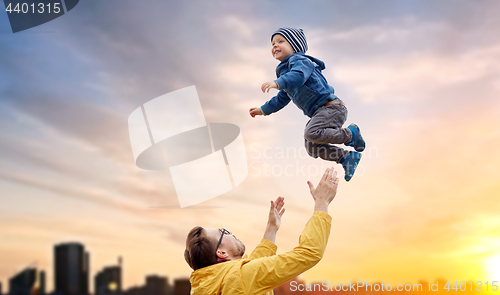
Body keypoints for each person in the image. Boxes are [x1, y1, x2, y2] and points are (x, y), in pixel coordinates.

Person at [185, 167, 340, 295]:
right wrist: (322, 203)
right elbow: (310, 253)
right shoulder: (242, 276)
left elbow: (253, 270)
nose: (230, 232)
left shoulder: (208, 286)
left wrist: (271, 229)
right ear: (222, 253)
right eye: (223, 232)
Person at [249, 27, 366, 181]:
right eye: (272, 43)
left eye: (280, 41)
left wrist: (277, 83)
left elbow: (297, 76)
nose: (274, 45)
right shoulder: (286, 73)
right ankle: (346, 158)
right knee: (312, 147)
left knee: (311, 133)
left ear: (294, 46)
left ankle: (351, 134)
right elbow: (282, 98)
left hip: (331, 108)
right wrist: (263, 110)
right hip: (321, 113)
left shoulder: (300, 61)